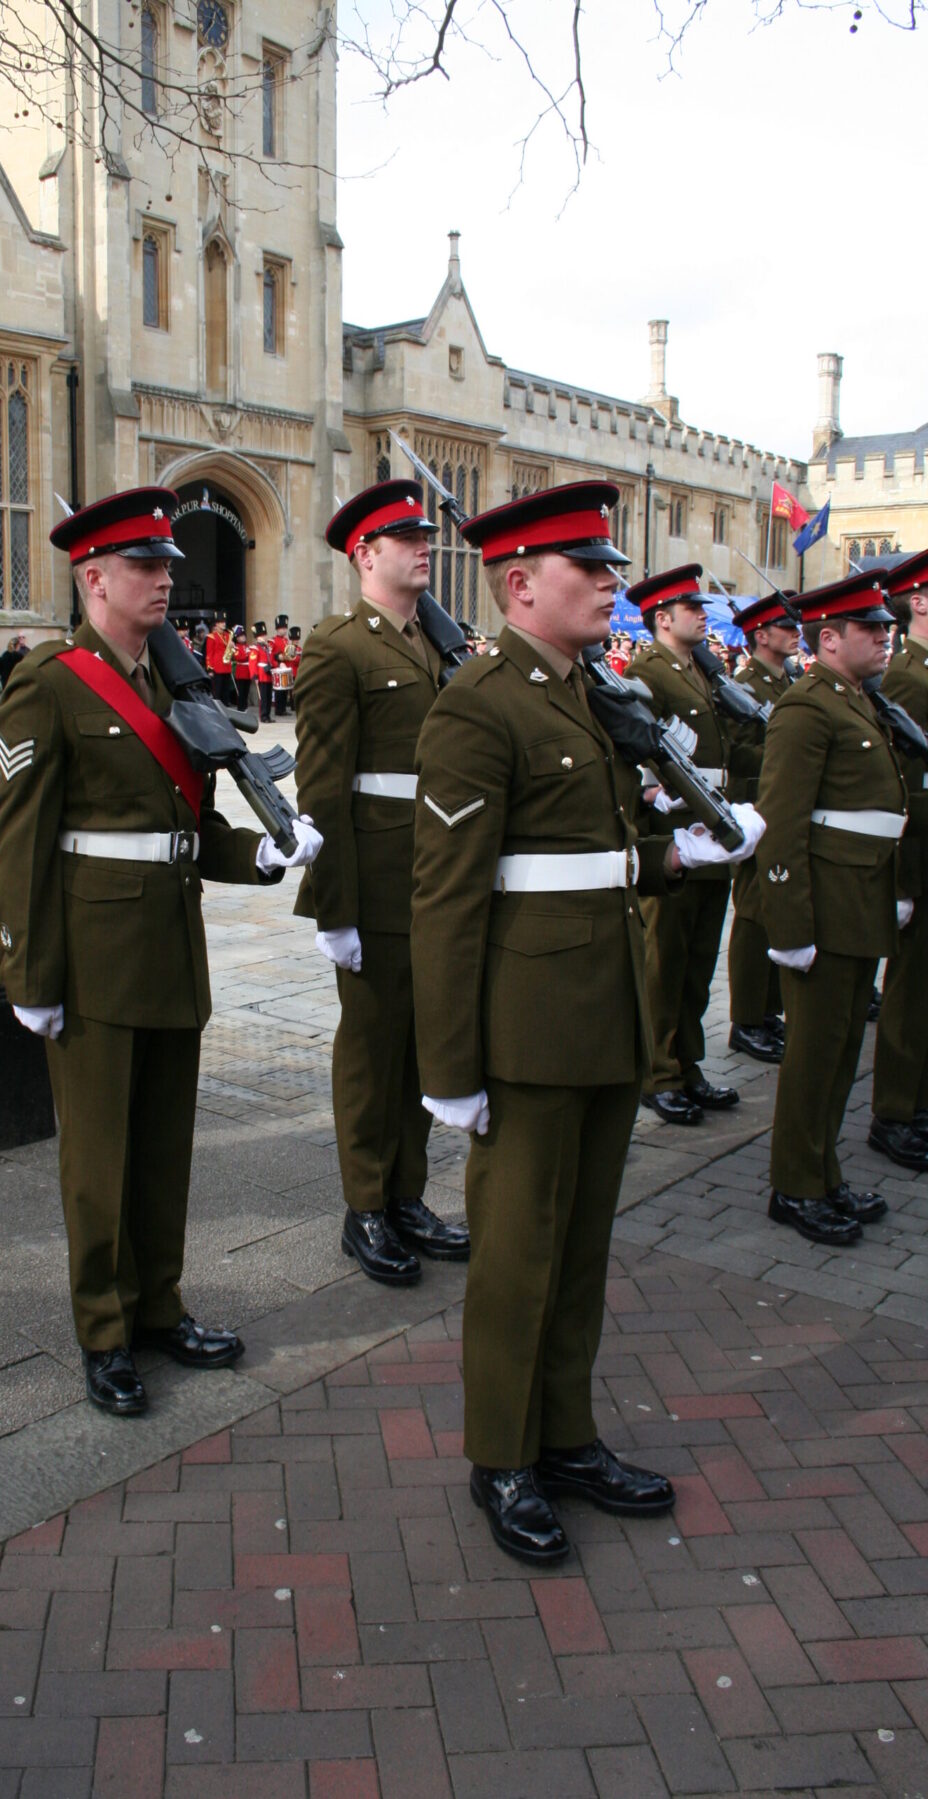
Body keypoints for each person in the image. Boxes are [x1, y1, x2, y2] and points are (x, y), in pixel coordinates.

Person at [410, 482, 763, 1564]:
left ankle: (565, 1433)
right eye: (591, 569)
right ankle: (503, 1454)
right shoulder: (480, 703)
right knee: (518, 1252)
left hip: (607, 1007)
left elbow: (599, 854)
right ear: (520, 583)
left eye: (610, 568)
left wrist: (677, 854)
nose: (613, 583)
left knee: (581, 1245)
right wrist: (451, 1065)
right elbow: (448, 895)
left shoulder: (589, 693)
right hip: (525, 1027)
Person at [0, 486, 321, 1417]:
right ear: (94, 577)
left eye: (168, 563)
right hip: (90, 956)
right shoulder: (49, 682)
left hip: (170, 943)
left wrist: (265, 852)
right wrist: (27, 969)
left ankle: (160, 1305)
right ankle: (104, 1330)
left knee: (164, 1147)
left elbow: (192, 827)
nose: (166, 577)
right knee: (98, 1158)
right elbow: (23, 839)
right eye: (145, 564)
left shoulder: (173, 686)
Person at [295, 479, 470, 1285]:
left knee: (419, 1048)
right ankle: (365, 1205)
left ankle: (407, 1194)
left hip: (434, 879)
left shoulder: (438, 644)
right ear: (367, 555)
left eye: (423, 535)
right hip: (374, 882)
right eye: (406, 538)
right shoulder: (340, 646)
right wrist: (333, 906)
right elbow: (323, 787)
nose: (424, 546)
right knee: (371, 1054)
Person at [758, 571, 907, 1246]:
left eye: (885, 627)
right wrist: (790, 926)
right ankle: (794, 1184)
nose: (885, 636)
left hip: (859, 901)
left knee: (844, 1050)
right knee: (813, 1056)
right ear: (830, 638)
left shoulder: (856, 699)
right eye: (871, 629)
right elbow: (781, 823)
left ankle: (824, 1170)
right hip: (822, 908)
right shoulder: (807, 707)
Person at [626, 566, 757, 1125]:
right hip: (673, 830)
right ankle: (658, 1071)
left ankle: (688, 1060)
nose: (704, 616)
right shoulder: (646, 671)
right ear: (663, 618)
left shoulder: (702, 671)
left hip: (711, 826)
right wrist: (657, 796)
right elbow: (640, 754)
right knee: (666, 959)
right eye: (692, 609)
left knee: (699, 959)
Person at [870, 550, 928, 1171]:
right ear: (919, 601)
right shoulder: (909, 678)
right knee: (910, 995)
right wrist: (905, 881)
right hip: (920, 856)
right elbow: (905, 792)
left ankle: (917, 1101)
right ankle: (895, 1110)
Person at [726, 594, 801, 1063]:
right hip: (757, 808)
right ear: (761, 635)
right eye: (784, 625)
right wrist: (785, 753)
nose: (795, 631)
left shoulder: (791, 679)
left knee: (778, 906)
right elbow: (736, 752)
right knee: (753, 914)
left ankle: (769, 1010)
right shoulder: (745, 684)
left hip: (784, 810)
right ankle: (746, 1018)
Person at [205, 613, 235, 706]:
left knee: (225, 692)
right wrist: (210, 668)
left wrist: (232, 646)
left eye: (224, 622)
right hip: (217, 667)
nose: (224, 624)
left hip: (226, 666)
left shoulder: (228, 635)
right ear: (216, 624)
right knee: (217, 693)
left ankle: (225, 710)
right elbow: (209, 654)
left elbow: (231, 650)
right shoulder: (212, 636)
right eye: (221, 622)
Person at [252, 621, 274, 722]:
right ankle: (263, 716)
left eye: (264, 635)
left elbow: (272, 659)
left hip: (268, 674)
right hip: (261, 675)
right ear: (257, 638)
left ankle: (268, 715)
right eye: (262, 636)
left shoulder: (267, 647)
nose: (264, 637)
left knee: (268, 696)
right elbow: (253, 663)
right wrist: (254, 676)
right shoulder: (255, 648)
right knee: (263, 697)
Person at [231, 625, 254, 709]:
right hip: (241, 673)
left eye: (243, 635)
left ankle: (245, 707)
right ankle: (240, 708)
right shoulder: (236, 647)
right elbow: (239, 657)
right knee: (241, 692)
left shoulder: (248, 646)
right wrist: (248, 655)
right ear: (237, 638)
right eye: (240, 636)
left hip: (248, 672)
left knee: (246, 692)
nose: (243, 637)